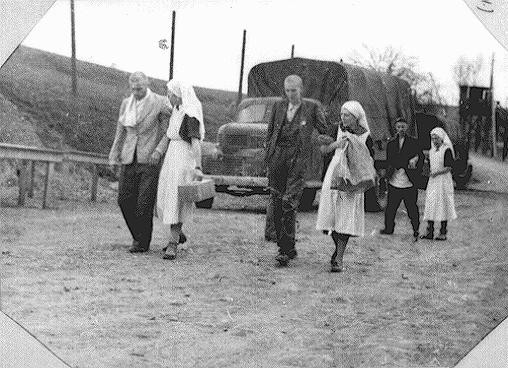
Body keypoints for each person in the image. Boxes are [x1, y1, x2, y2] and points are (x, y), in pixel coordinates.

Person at [265, 74, 332, 266]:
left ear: (301, 90)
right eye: (287, 91)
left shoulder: (311, 108)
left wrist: (323, 142)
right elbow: (271, 133)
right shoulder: (278, 107)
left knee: (289, 202)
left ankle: (285, 250)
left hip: (298, 160)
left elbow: (324, 130)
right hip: (278, 158)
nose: (290, 94)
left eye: (293, 91)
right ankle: (287, 246)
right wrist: (269, 157)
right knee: (277, 201)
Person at [108, 71, 172, 253]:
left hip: (149, 159)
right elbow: (120, 131)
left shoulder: (160, 102)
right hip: (129, 158)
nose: (136, 91)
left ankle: (141, 242)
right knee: (124, 200)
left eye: (140, 88)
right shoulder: (126, 104)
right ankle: (139, 235)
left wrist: (158, 151)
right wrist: (113, 154)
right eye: (133, 88)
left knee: (144, 203)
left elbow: (168, 131)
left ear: (147, 84)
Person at [316, 101, 375, 272]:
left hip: (353, 178)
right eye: (342, 114)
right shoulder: (336, 129)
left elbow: (369, 160)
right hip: (335, 174)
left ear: (356, 117)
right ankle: (337, 250)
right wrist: (336, 145)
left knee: (346, 217)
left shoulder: (366, 136)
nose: (343, 117)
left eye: (347, 115)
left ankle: (339, 258)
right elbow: (323, 149)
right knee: (331, 217)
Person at [154, 80, 205, 260]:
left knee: (177, 198)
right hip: (172, 157)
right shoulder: (175, 111)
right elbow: (169, 135)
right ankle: (177, 233)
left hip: (184, 159)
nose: (169, 97)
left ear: (180, 95)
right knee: (168, 196)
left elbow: (196, 143)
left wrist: (198, 166)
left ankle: (173, 243)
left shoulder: (189, 115)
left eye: (171, 94)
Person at [380, 117, 424, 242]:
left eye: (403, 127)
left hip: (409, 181)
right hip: (395, 179)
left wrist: (414, 160)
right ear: (395, 128)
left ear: (407, 127)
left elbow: (420, 156)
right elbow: (390, 160)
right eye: (398, 127)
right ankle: (389, 228)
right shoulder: (391, 144)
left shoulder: (414, 142)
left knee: (411, 207)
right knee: (391, 207)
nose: (401, 129)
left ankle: (416, 229)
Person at [421, 127, 457, 240]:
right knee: (431, 203)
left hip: (443, 180)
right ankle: (429, 231)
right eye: (433, 138)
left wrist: (437, 173)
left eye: (436, 138)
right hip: (433, 180)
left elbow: (449, 167)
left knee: (443, 204)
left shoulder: (446, 150)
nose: (434, 141)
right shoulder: (432, 151)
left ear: (441, 139)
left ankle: (443, 232)